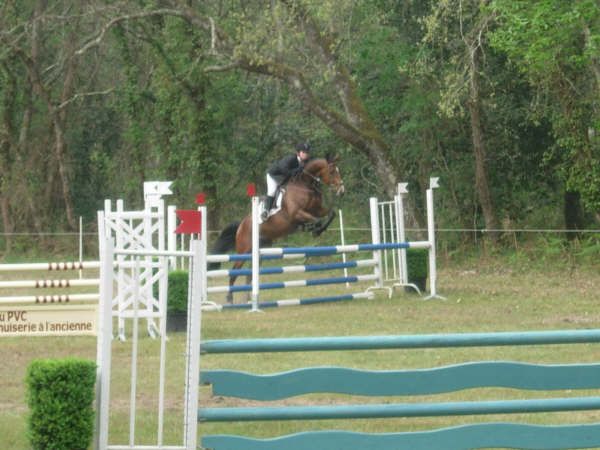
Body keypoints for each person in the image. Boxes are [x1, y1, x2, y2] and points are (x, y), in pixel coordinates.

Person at [261, 142, 312, 220]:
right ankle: (266, 211)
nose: (306, 154)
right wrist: (298, 169)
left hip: (286, 177)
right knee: (272, 191)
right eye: (304, 152)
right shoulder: (291, 159)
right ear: (298, 153)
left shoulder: (306, 161)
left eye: (307, 152)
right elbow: (285, 171)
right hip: (274, 175)